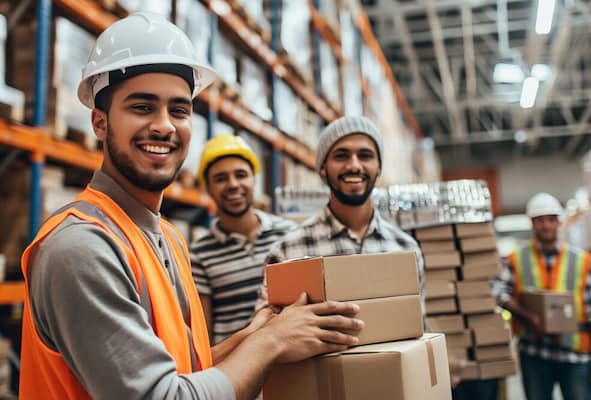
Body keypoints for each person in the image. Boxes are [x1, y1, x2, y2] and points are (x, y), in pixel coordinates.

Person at [19, 13, 364, 400]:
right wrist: (272, 344)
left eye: (179, 110)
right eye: (142, 107)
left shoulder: (165, 235)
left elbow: (185, 373)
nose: (165, 125)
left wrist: (255, 336)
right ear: (100, 123)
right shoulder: (81, 248)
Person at [257, 115, 424, 308]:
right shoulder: (286, 253)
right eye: (341, 156)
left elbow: (419, 331)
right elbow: (267, 330)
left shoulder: (406, 249)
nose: (354, 165)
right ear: (323, 169)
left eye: (365, 155)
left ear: (379, 168)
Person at [190, 134, 297, 344]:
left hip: (288, 360)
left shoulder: (289, 234)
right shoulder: (198, 254)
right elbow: (203, 335)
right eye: (220, 179)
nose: (233, 184)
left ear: (254, 180)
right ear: (207, 188)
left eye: (241, 175)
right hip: (236, 369)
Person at [495, 192, 591, 400]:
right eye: (540, 220)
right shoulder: (515, 259)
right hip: (535, 352)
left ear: (558, 223)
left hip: (575, 353)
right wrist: (526, 315)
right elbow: (499, 292)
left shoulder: (582, 261)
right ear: (532, 224)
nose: (546, 226)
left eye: (551, 220)